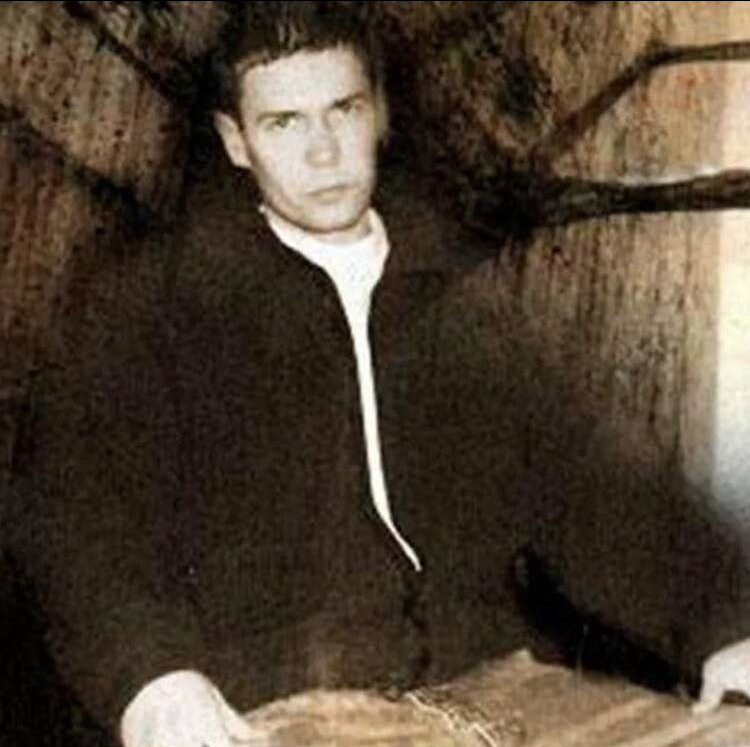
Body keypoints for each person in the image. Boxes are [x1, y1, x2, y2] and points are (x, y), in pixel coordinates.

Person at [5, 3, 750, 746]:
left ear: (379, 115)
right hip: (293, 702)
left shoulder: (457, 304)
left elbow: (596, 484)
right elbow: (76, 513)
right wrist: (150, 676)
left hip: (505, 689)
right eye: (284, 123)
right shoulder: (157, 309)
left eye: (343, 109)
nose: (323, 152)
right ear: (236, 142)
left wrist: (728, 624)